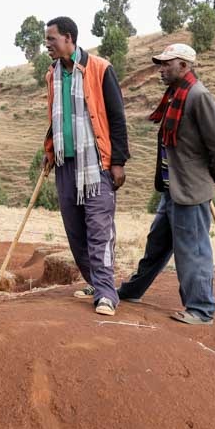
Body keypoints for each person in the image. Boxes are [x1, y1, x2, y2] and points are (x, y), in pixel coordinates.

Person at [117, 43, 215, 325]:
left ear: (184, 65)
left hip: (190, 189)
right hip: (172, 188)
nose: (161, 69)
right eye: (161, 64)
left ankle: (201, 309)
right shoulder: (175, 95)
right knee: (157, 244)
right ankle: (132, 291)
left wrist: (214, 175)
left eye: (167, 64)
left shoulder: (198, 96)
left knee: (192, 250)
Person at [42, 16, 129, 317]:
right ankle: (96, 281)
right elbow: (55, 118)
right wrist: (49, 148)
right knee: (75, 229)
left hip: (97, 163)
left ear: (69, 38)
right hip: (67, 162)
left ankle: (106, 294)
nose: (47, 44)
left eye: (51, 39)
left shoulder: (100, 69)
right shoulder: (51, 74)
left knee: (98, 229)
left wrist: (118, 161)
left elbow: (117, 118)